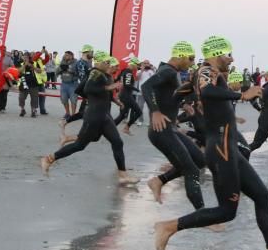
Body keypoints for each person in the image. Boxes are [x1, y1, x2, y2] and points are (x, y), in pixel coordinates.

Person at [153, 36, 268, 250]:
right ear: (216, 53)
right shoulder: (207, 71)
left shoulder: (202, 74)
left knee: (263, 196)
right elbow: (207, 92)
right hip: (220, 149)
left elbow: (178, 94)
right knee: (227, 211)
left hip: (225, 146)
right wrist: (241, 95)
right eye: (228, 53)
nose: (231, 58)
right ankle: (168, 227)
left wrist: (175, 110)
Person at [41, 52, 134, 184]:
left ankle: (123, 174)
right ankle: (49, 159)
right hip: (94, 115)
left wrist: (114, 100)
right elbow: (88, 88)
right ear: (100, 62)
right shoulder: (95, 73)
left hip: (104, 116)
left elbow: (98, 91)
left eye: (110, 63)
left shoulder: (106, 75)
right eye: (107, 63)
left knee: (118, 142)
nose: (109, 66)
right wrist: (105, 90)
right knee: (79, 145)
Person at [143, 42, 207, 209]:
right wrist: (155, 111)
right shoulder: (168, 71)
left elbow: (166, 95)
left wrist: (183, 104)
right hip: (161, 131)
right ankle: (203, 215)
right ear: (180, 56)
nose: (192, 62)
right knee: (191, 171)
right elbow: (146, 86)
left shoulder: (173, 72)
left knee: (200, 160)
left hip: (170, 128)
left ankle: (159, 181)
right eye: (191, 58)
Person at [114, 58, 143, 134]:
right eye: (137, 65)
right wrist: (138, 90)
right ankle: (126, 127)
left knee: (123, 115)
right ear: (132, 64)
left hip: (124, 94)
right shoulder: (129, 73)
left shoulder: (124, 71)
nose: (137, 67)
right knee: (139, 112)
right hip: (126, 95)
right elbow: (127, 85)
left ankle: (110, 128)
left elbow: (117, 80)